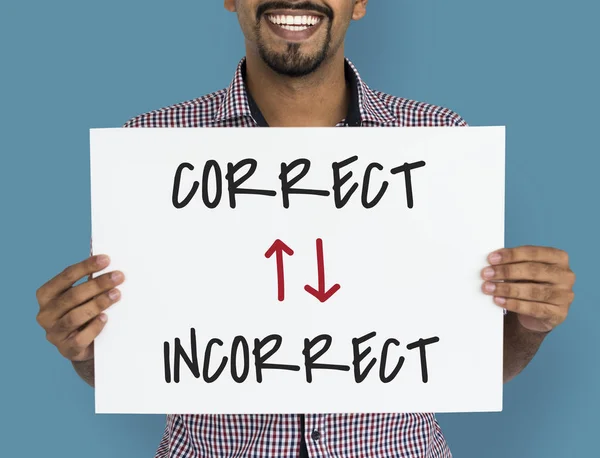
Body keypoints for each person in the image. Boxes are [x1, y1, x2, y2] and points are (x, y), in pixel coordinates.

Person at [35, 1, 576, 457]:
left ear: (360, 2)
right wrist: (86, 350)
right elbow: (135, 361)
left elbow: (465, 363)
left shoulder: (439, 143)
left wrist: (529, 324)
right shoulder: (148, 150)